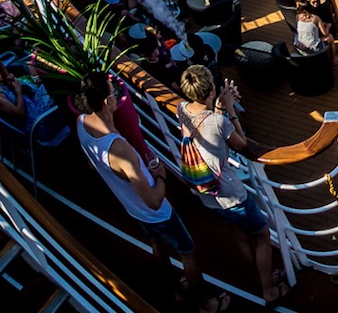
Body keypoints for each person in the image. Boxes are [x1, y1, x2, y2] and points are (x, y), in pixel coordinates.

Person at [75, 73, 222, 312]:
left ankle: (175, 290)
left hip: (132, 208)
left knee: (157, 243)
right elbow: (154, 201)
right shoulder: (120, 149)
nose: (116, 97)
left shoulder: (81, 123)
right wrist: (160, 175)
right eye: (114, 93)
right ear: (107, 102)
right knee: (188, 251)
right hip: (157, 212)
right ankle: (204, 303)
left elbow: (93, 165)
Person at [177, 65, 283, 304]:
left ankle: (258, 276)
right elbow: (242, 144)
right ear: (211, 90)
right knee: (262, 236)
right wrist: (230, 109)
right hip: (231, 194)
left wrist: (219, 106)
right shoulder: (218, 122)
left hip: (207, 194)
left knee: (239, 235)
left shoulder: (181, 108)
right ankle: (268, 289)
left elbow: (206, 126)